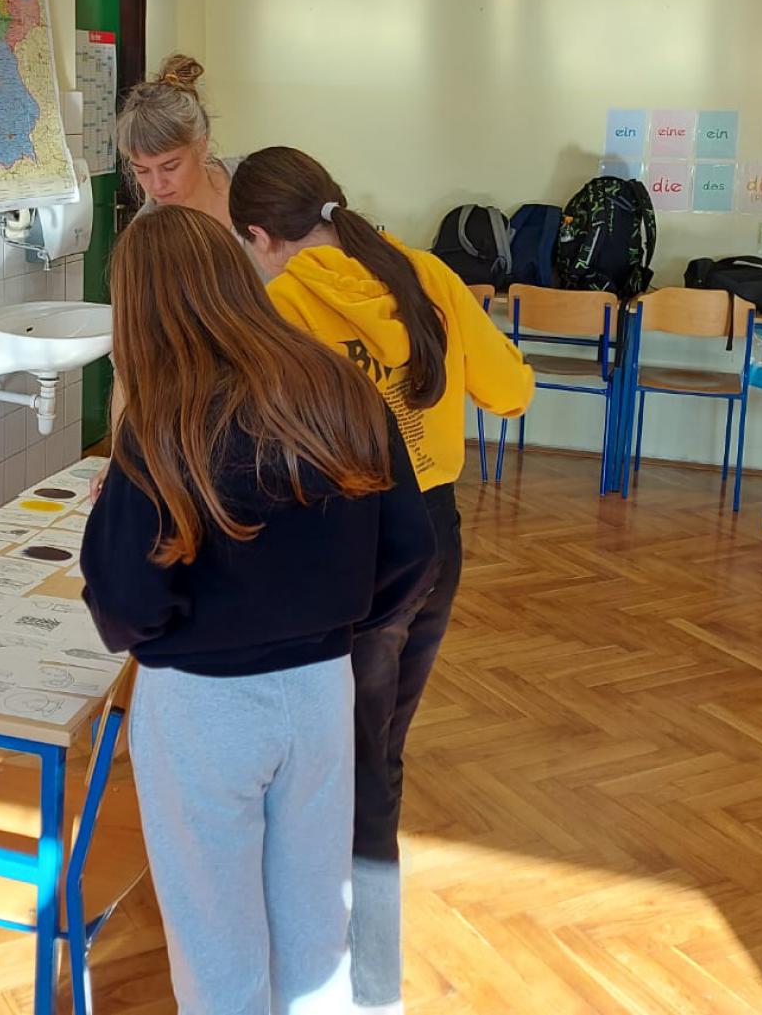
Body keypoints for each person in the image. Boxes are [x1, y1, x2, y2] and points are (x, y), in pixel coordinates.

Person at [81, 206, 437, 1015]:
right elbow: (414, 548)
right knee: (316, 932)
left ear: (136, 313)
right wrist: (334, 617)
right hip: (320, 688)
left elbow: (124, 606)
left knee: (218, 951)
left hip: (202, 706)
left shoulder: (161, 423)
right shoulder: (341, 389)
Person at [228, 147, 534, 1015]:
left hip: (338, 546)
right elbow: (512, 390)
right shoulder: (427, 272)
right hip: (433, 539)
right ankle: (362, 976)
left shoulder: (278, 303)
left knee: (334, 763)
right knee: (377, 755)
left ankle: (343, 975)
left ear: (259, 235)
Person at [114, 54, 236, 226]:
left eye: (170, 167)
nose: (157, 186)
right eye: (143, 171)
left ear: (201, 148)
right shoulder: (147, 232)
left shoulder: (259, 182)